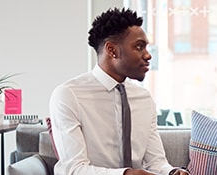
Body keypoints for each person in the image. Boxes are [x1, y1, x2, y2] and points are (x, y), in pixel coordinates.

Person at [49, 8, 189, 175]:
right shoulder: (68, 95)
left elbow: (156, 162)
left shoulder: (143, 98)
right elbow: (73, 169)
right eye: (139, 47)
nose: (148, 56)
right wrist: (127, 174)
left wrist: (172, 172)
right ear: (112, 50)